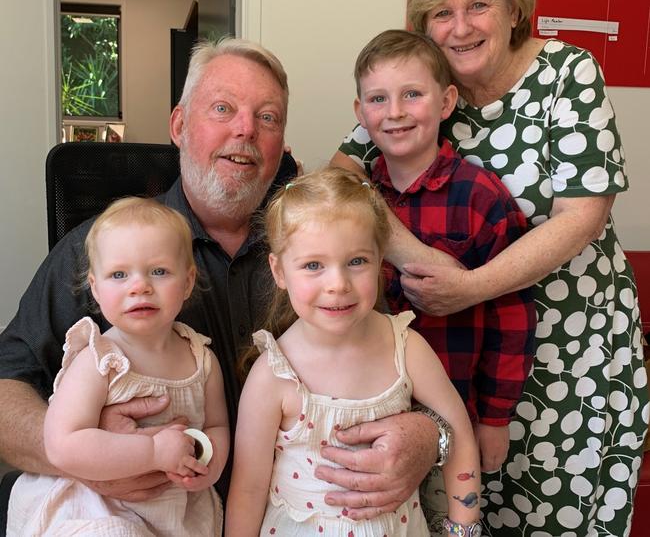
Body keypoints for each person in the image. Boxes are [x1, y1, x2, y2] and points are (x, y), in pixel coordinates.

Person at [0, 38, 441, 530]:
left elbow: (401, 365)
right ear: (179, 125)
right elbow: (5, 385)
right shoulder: (103, 251)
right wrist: (84, 452)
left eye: (267, 117)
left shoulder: (323, 250)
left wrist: (430, 434)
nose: (246, 130)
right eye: (223, 108)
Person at [333, 0, 649, 536]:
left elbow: (584, 214)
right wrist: (420, 258)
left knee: (563, 515)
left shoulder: (567, 72)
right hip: (456, 364)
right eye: (441, 13)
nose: (460, 27)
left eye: (477, 5)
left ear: (512, 6)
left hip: (569, 357)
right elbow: (343, 180)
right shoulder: (419, 90)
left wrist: (470, 285)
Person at [225, 167, 481, 537]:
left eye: (357, 261)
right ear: (279, 271)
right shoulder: (275, 374)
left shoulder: (405, 347)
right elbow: (248, 490)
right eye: (313, 265)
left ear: (380, 260)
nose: (338, 284)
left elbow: (458, 434)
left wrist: (463, 529)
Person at [352, 28, 536, 531]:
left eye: (412, 93)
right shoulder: (354, 199)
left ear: (447, 100)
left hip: (451, 418)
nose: (395, 111)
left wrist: (495, 419)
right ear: (360, 113)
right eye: (378, 99)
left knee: (446, 522)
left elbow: (512, 313)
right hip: (365, 414)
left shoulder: (480, 196)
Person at [7, 197, 229, 535]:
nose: (139, 286)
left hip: (174, 506)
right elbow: (62, 444)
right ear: (95, 289)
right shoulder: (99, 360)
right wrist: (153, 451)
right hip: (98, 508)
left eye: (159, 271)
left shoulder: (201, 357)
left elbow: (216, 427)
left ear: (187, 282)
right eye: (119, 274)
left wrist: (209, 466)